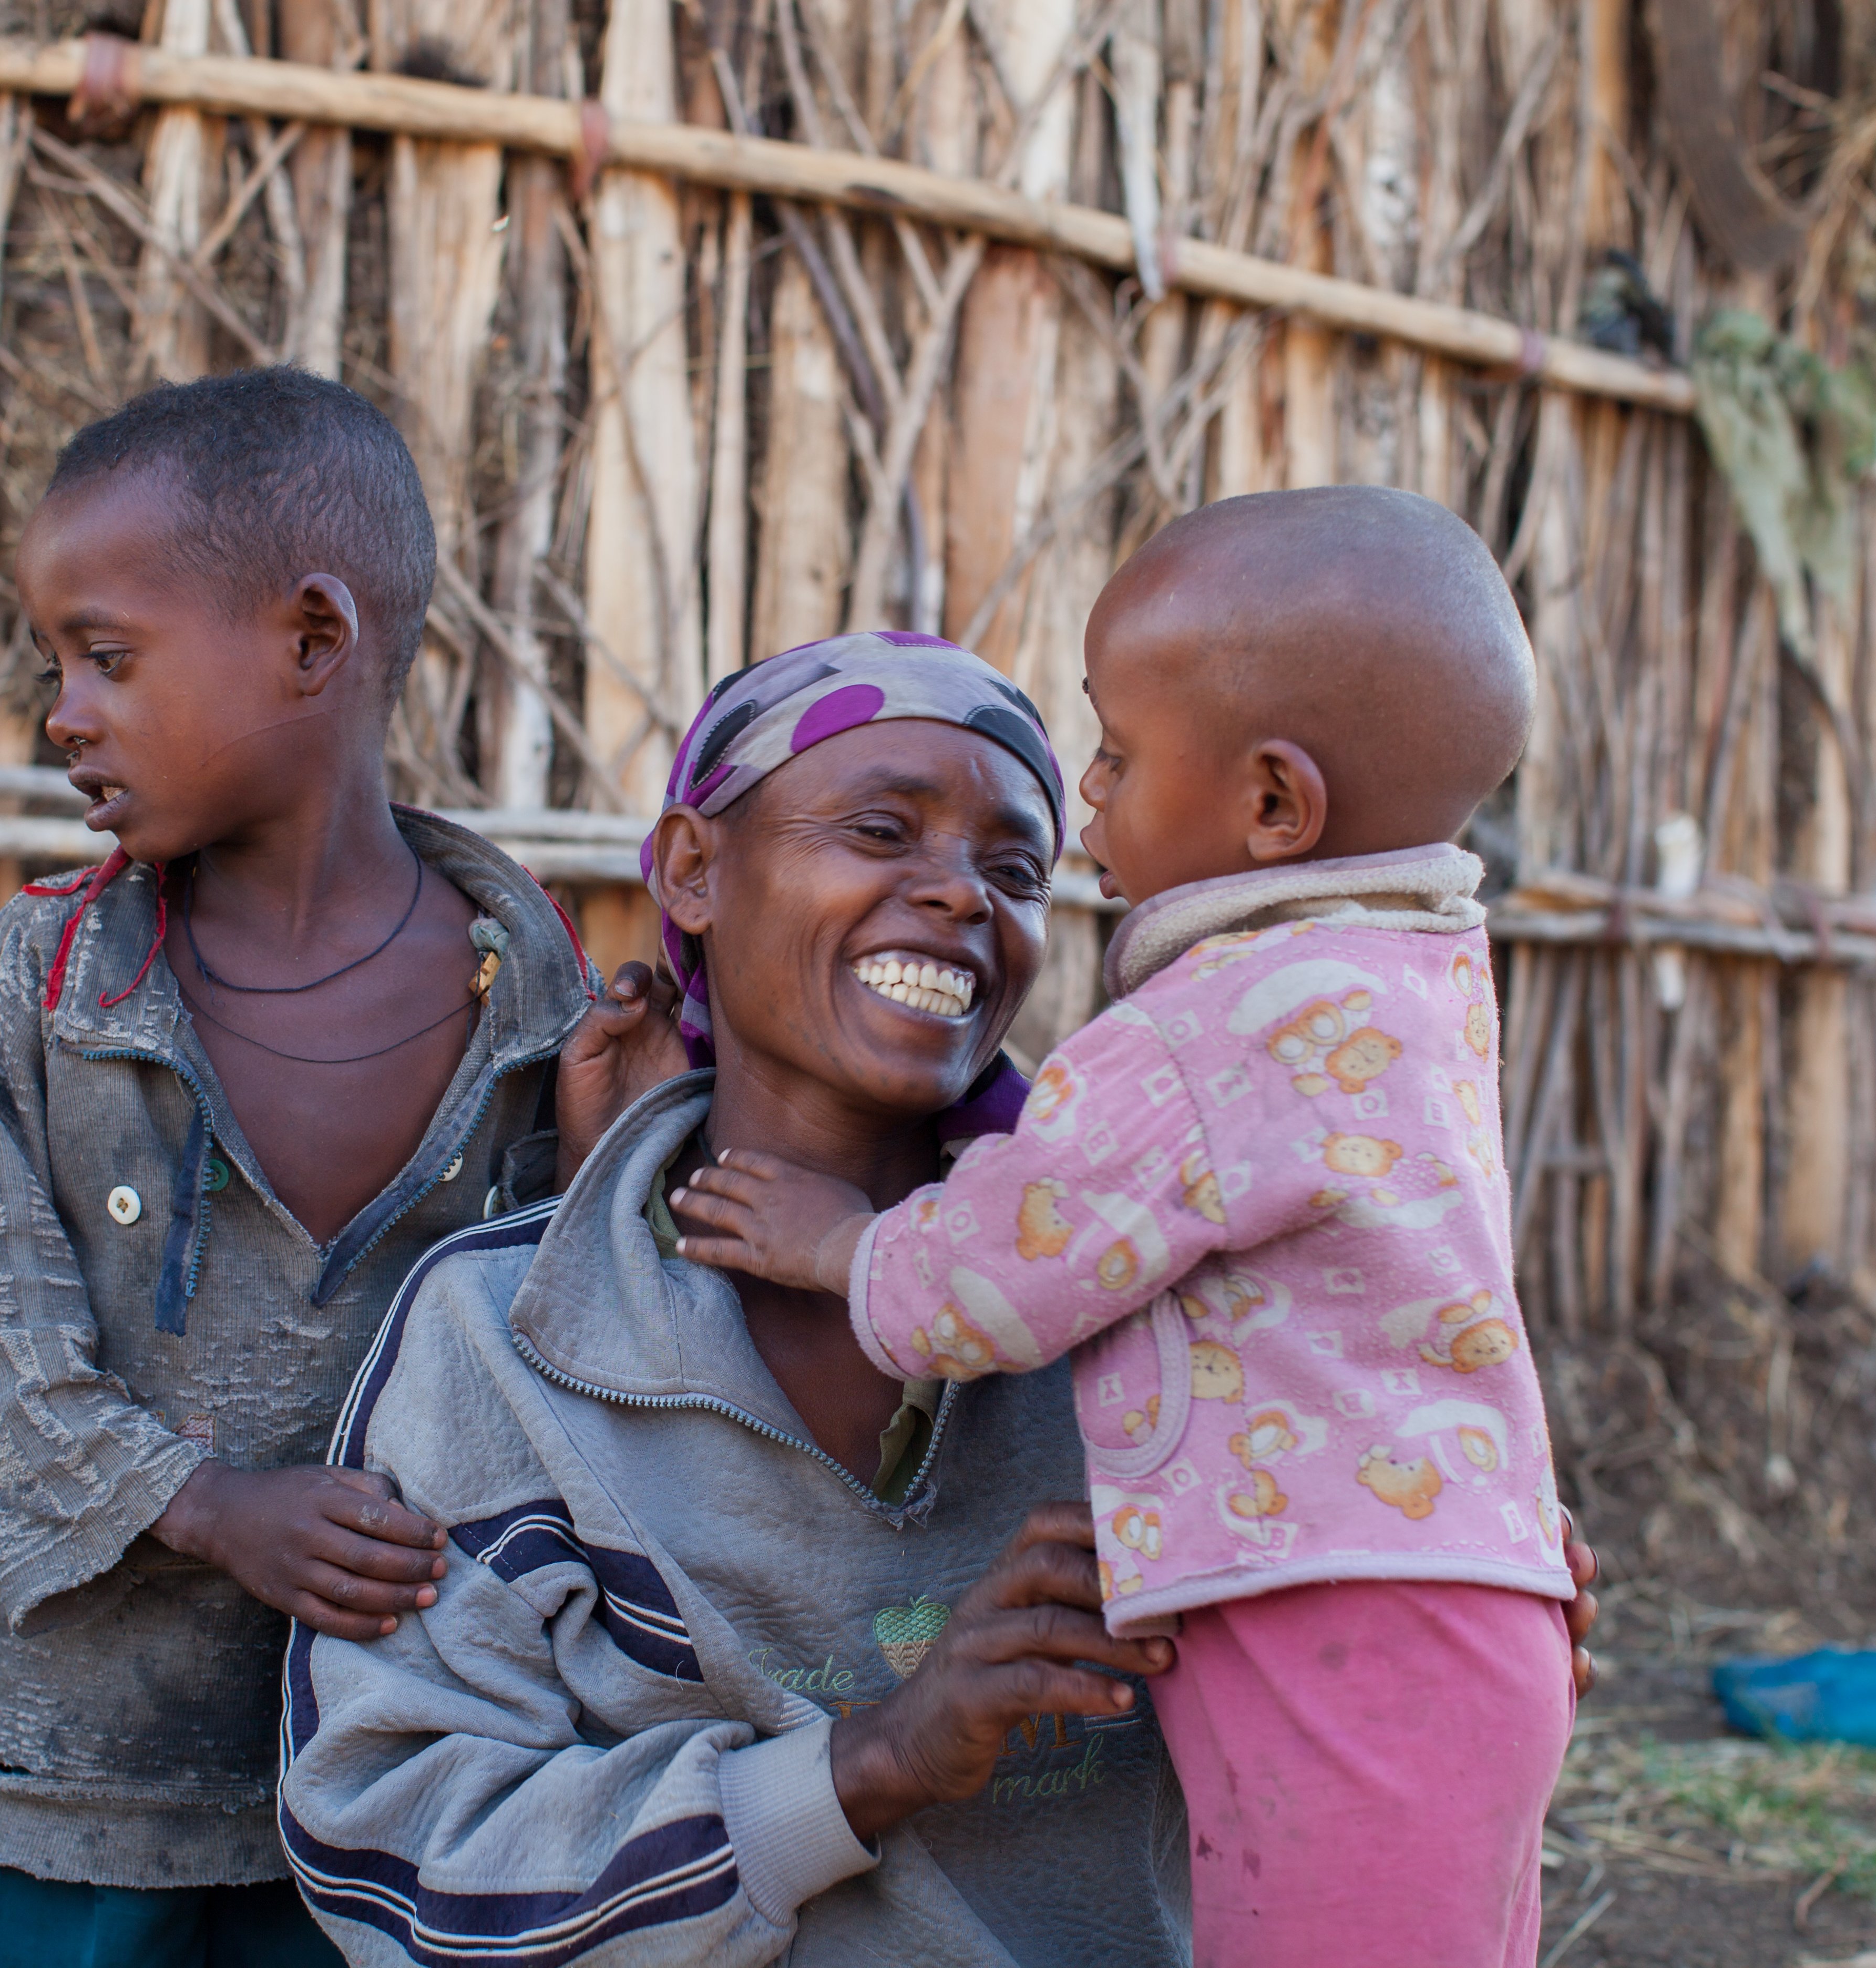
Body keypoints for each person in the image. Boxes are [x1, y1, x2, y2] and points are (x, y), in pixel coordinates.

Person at [670, 487, 1586, 1966]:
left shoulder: (1209, 1028)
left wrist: (847, 1242)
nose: (1089, 798)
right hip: (1452, 1629)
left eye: (1111, 755)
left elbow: (989, 1280)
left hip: (1336, 1648)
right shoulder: (1411, 990)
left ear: (1275, 808)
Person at [0, 370, 677, 1966]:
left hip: (398, 1770)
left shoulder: (532, 998)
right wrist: (207, 1505)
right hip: (73, 1784)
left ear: (317, 641)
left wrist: (601, 1176)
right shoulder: (49, 985)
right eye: (57, 664)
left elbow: (572, 1367)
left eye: (106, 657)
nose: (63, 711)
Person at [278, 634, 1198, 1965]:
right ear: (696, 872)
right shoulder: (508, 1333)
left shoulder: (1157, 1321)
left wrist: (1429, 1616)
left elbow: (1311, 1730)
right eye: (883, 829)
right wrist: (866, 1766)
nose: (959, 896)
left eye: (1016, 870)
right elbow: (398, 1847)